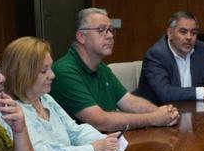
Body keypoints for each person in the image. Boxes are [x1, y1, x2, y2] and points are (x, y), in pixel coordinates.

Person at [0, 36, 120, 151]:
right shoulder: (10, 111)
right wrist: (92, 150)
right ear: (22, 73)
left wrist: (106, 140)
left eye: (50, 68)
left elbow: (74, 131)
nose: (52, 75)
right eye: (43, 71)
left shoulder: (45, 99)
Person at [51, 7, 180, 131]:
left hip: (109, 144)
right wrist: (153, 118)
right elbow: (100, 121)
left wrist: (161, 112)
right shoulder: (65, 71)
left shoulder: (100, 67)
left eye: (111, 30)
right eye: (101, 30)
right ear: (81, 37)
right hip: (83, 150)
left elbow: (129, 101)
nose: (110, 36)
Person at [134, 11, 204, 104]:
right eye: (183, 32)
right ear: (170, 33)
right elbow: (165, 93)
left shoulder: (201, 50)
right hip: (156, 115)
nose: (189, 37)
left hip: (192, 112)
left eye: (193, 33)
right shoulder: (156, 55)